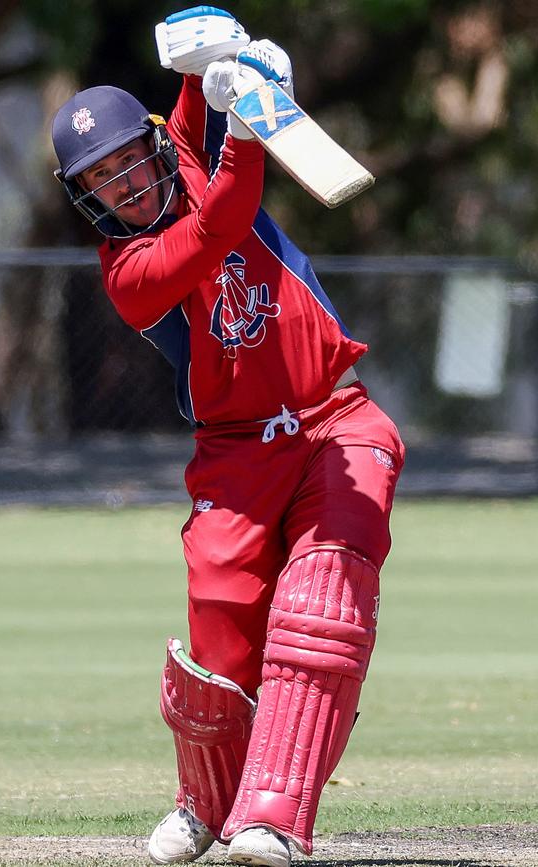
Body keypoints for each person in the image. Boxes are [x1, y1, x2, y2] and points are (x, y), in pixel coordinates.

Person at [51, 7, 405, 867]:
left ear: (155, 147)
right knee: (218, 630)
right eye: (103, 182)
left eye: (130, 161)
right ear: (88, 201)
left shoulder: (190, 149)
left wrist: (231, 67)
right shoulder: (129, 273)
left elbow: (197, 73)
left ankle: (274, 816)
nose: (126, 187)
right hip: (236, 451)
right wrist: (247, 119)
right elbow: (222, 221)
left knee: (320, 604)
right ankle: (208, 804)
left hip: (336, 419)